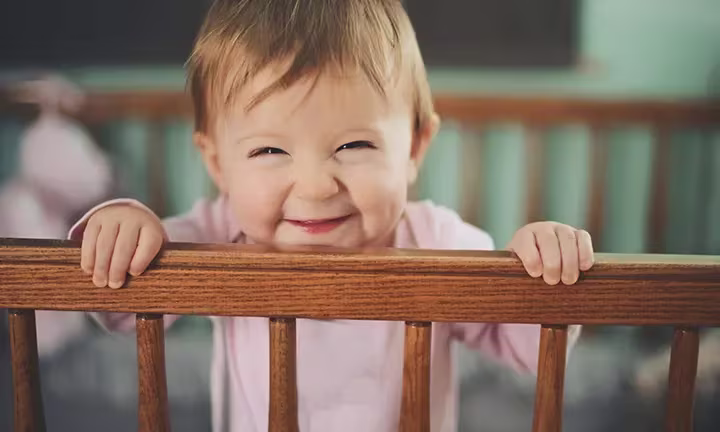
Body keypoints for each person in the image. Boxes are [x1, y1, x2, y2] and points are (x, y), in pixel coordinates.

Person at [68, 1, 595, 430]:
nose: (317, 185)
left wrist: (543, 268)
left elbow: (531, 346)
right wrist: (124, 225)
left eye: (354, 144)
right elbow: (122, 308)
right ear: (217, 164)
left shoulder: (436, 240)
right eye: (270, 151)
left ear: (415, 146)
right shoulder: (219, 233)